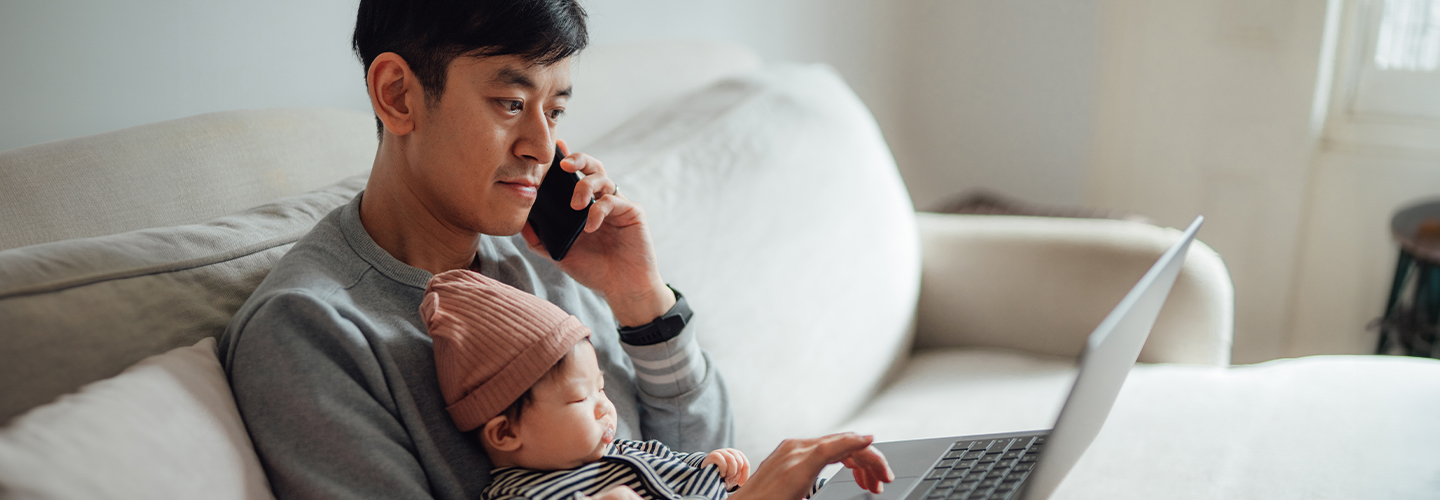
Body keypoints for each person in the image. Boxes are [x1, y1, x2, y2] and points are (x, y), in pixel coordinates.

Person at [219, 1, 892, 499]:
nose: (541, 147)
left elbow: (694, 457)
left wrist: (638, 300)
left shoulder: (538, 259)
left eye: (557, 111)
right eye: (512, 103)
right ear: (398, 96)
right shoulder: (310, 331)